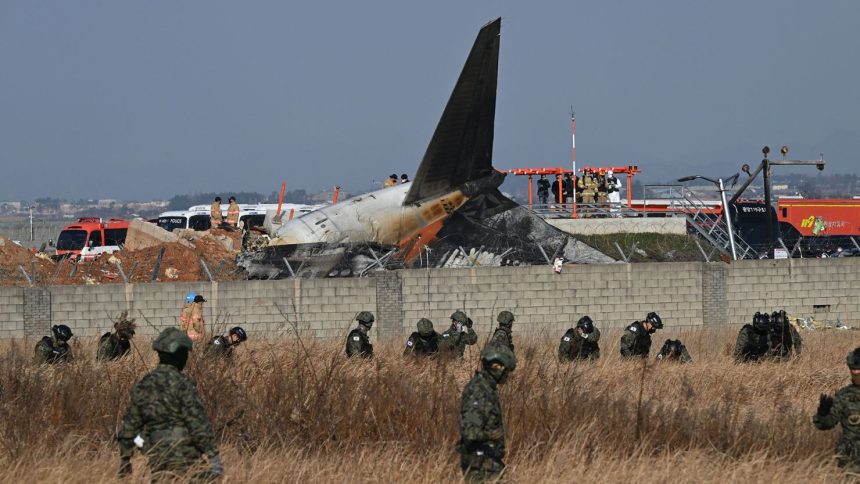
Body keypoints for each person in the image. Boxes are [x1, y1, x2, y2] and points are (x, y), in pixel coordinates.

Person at [117, 327, 222, 480]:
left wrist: (125, 459)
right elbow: (197, 424)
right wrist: (214, 458)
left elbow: (129, 426)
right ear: (179, 355)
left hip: (157, 457)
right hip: (187, 456)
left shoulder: (144, 384)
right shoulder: (183, 384)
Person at [458, 344, 516, 483]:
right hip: (479, 467)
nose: (506, 375)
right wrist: (491, 436)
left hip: (489, 463)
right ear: (496, 366)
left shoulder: (487, 388)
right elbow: (469, 431)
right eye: (505, 370)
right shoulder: (478, 391)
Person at [814, 347, 860, 474]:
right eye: (853, 370)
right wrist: (822, 413)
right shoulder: (844, 395)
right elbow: (827, 423)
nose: (856, 373)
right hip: (851, 458)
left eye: (859, 370)